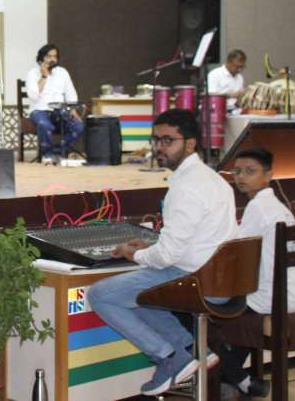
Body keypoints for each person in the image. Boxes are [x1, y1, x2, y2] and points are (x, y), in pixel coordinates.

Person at [87, 109, 237, 396]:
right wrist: (151, 249)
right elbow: (190, 243)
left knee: (101, 294)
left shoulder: (186, 187)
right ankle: (190, 350)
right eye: (156, 140)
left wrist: (134, 255)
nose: (159, 147)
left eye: (168, 141)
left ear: (190, 144)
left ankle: (168, 358)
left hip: (195, 281)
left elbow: (167, 258)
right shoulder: (213, 179)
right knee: (137, 293)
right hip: (219, 280)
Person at [216, 147, 295, 398]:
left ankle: (236, 379)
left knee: (201, 319)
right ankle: (235, 383)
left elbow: (235, 253)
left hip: (274, 299)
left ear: (269, 175)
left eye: (250, 171)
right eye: (237, 171)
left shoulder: (259, 207)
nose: (241, 177)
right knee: (234, 308)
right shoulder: (278, 207)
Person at [25, 44, 83, 162]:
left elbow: (71, 93)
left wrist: (73, 109)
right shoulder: (32, 73)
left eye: (55, 56)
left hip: (60, 110)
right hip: (39, 110)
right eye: (48, 56)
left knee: (78, 126)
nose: (52, 59)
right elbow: (33, 96)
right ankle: (48, 156)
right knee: (44, 125)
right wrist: (44, 76)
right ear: (41, 58)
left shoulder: (62, 72)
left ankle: (57, 152)